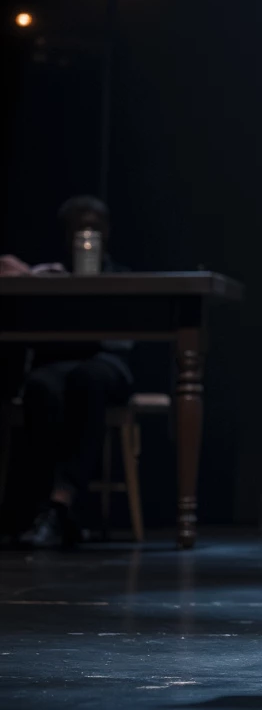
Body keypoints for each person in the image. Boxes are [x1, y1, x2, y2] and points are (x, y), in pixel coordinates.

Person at [1, 197, 132, 547]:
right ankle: (38, 508)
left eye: (95, 228)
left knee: (87, 380)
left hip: (105, 365)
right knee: (41, 387)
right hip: (57, 366)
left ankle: (63, 502)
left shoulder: (122, 278)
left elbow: (125, 341)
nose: (88, 235)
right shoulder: (48, 277)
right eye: (79, 228)